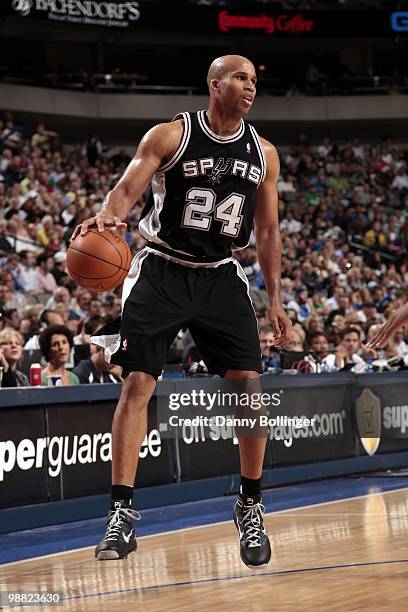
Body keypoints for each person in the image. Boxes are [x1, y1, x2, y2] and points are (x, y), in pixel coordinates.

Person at [74, 55, 292, 568]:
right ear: (214, 84)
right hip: (161, 269)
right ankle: (121, 514)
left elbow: (267, 231)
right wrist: (108, 218)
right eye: (240, 78)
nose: (249, 87)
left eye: (254, 81)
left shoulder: (264, 154)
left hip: (220, 274)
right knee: (137, 384)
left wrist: (276, 297)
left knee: (248, 388)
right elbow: (128, 189)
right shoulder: (170, 135)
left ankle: (250, 504)